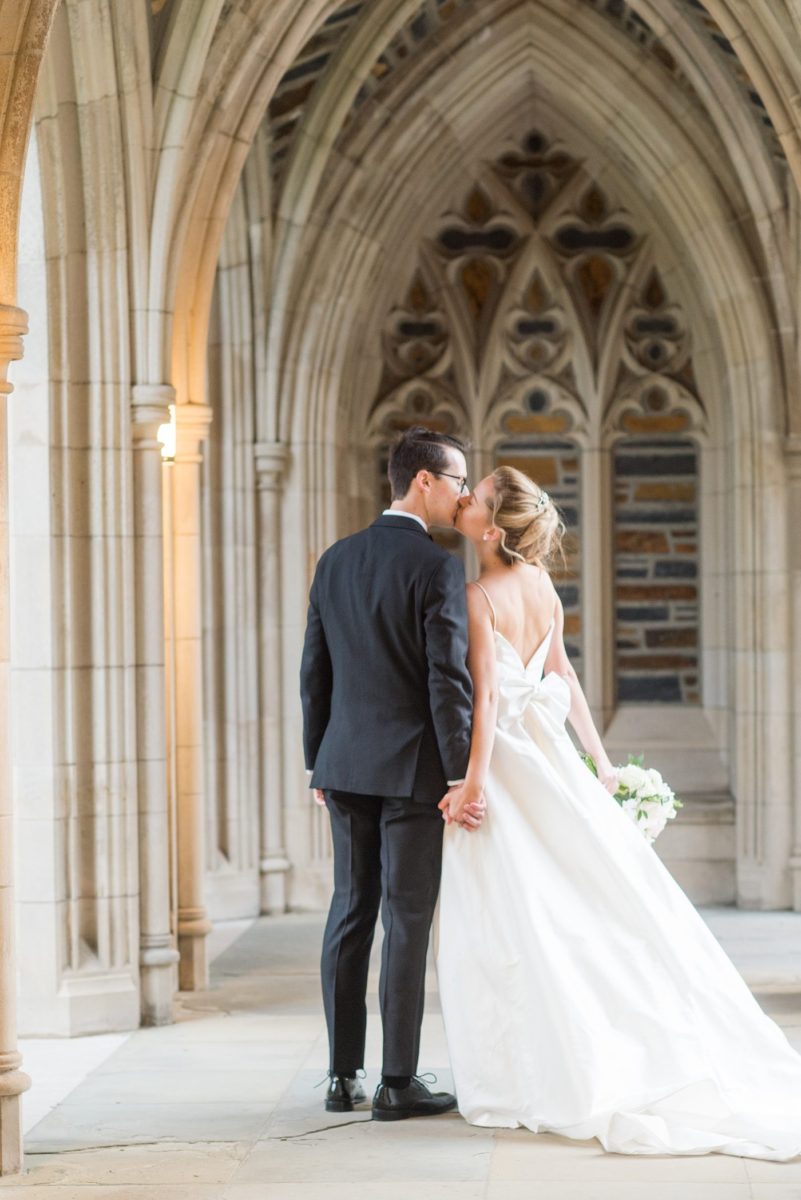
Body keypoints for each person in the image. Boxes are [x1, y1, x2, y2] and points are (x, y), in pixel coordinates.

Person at [436, 464, 801, 1159]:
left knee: (517, 917)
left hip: (512, 765)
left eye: (475, 495)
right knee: (569, 905)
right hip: (549, 759)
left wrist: (472, 783)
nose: (463, 497)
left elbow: (485, 700)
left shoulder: (478, 594)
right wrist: (597, 763)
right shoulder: (542, 587)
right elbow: (564, 678)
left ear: (491, 524)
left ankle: (533, 1065)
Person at [300, 426, 485, 1121]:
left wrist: (317, 757)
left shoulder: (336, 560)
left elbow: (313, 669)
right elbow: (447, 680)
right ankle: (397, 1083)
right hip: (414, 769)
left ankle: (341, 1076)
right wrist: (461, 770)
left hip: (344, 762)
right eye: (457, 479)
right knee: (405, 920)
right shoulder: (435, 567)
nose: (464, 492)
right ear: (423, 481)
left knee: (350, 910)